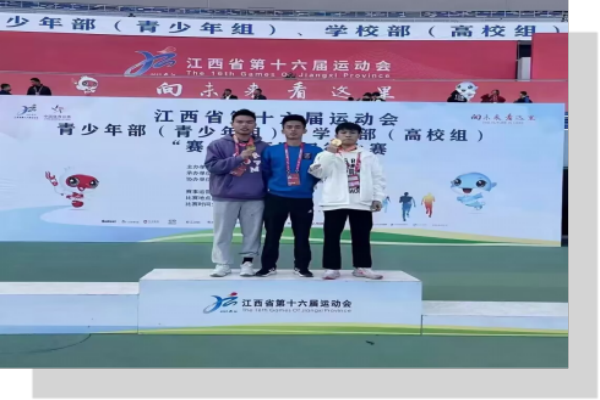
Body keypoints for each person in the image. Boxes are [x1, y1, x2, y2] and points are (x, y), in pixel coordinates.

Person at [309, 122, 386, 280]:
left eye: (352, 132)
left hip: (361, 202)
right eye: (343, 132)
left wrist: (377, 198)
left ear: (359, 136)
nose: (348, 135)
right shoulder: (326, 154)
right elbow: (318, 173)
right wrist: (329, 153)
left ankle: (362, 267)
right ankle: (332, 268)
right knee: (331, 236)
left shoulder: (368, 156)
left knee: (362, 236)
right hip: (334, 202)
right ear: (337, 135)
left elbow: (378, 178)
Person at [204, 109, 269, 277]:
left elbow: (269, 171)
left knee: (252, 233)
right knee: (222, 233)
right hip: (225, 196)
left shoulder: (264, 147)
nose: (244, 125)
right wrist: (239, 158)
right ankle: (222, 264)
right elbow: (212, 166)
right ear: (232, 124)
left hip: (255, 197)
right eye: (240, 122)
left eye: (249, 122)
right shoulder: (218, 145)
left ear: (255, 124)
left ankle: (248, 263)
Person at [258, 115, 323, 278]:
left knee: (302, 235)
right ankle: (268, 266)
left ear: (304, 130)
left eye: (297, 127)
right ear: (283, 130)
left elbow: (320, 173)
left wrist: (307, 185)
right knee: (272, 234)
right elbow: (265, 173)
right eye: (289, 127)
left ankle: (302, 267)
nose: (293, 130)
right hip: (276, 197)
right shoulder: (271, 151)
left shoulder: (316, 151)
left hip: (303, 199)